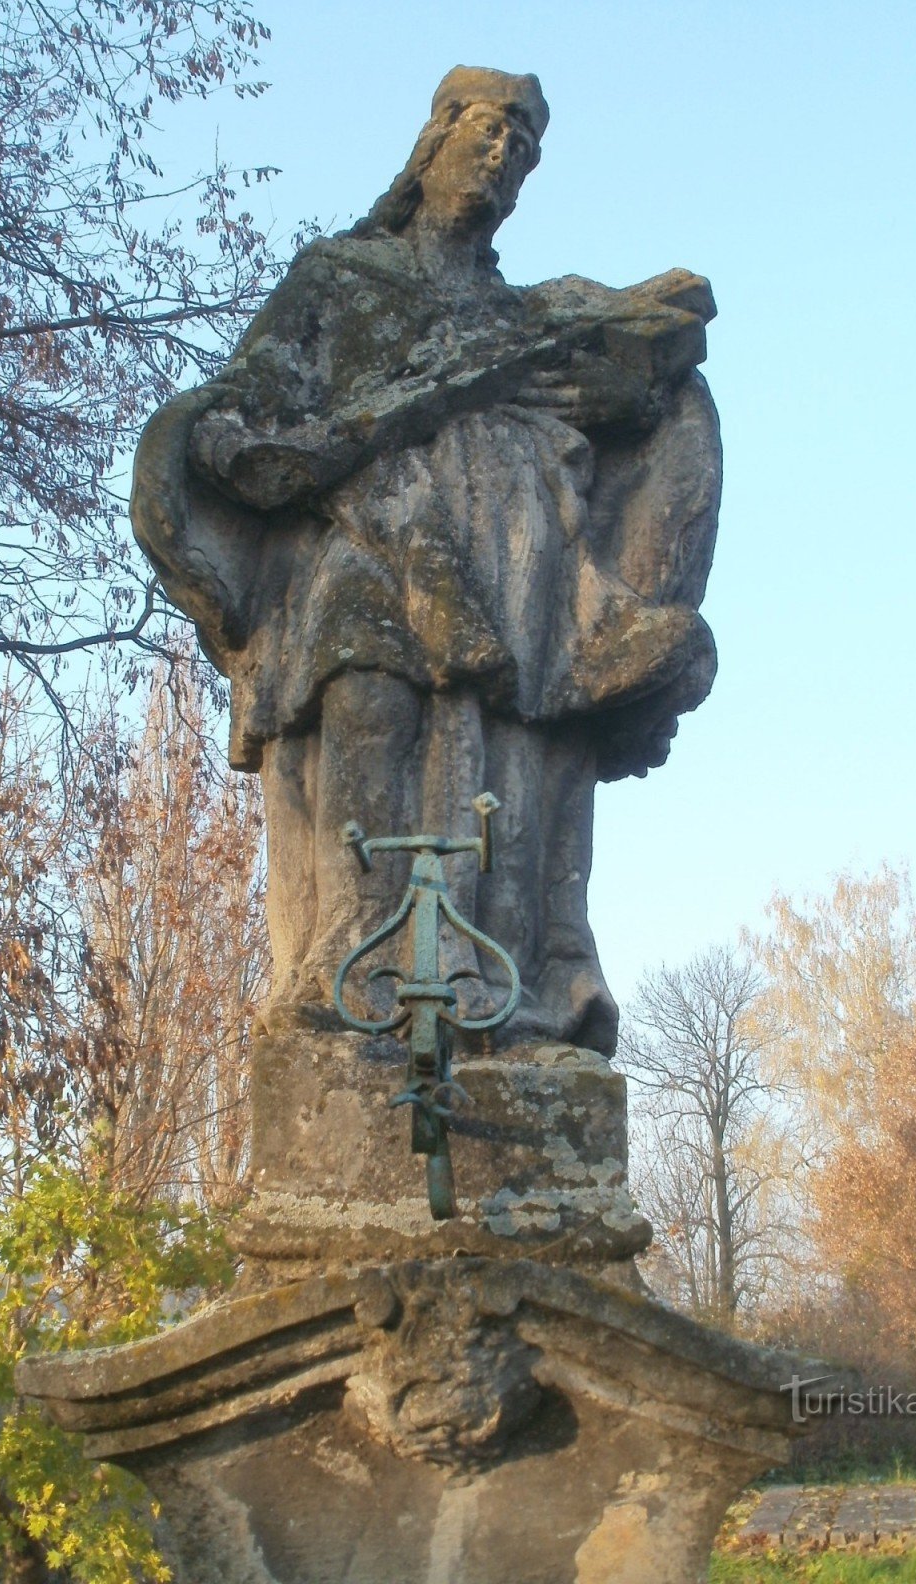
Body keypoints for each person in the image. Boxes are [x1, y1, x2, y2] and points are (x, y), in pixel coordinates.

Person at [131, 67, 722, 1054]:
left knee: (519, 750)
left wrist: (636, 351)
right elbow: (246, 407)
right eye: (490, 133)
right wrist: (253, 448)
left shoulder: (530, 316)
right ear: (436, 138)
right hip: (361, 535)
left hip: (517, 555)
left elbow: (664, 349)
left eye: (523, 150)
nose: (504, 160)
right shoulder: (340, 278)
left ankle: (516, 980)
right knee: (365, 686)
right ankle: (345, 968)